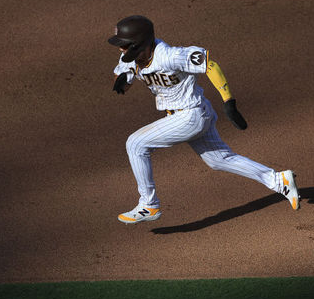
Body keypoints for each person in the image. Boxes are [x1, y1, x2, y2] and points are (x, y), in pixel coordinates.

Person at [108, 15, 300, 224]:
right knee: (219, 160)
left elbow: (210, 65)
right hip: (191, 115)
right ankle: (278, 180)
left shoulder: (170, 56)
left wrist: (229, 102)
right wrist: (122, 82)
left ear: (139, 44)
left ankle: (149, 204)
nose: (121, 50)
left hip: (191, 116)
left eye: (125, 45)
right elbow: (123, 80)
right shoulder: (130, 58)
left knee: (135, 143)